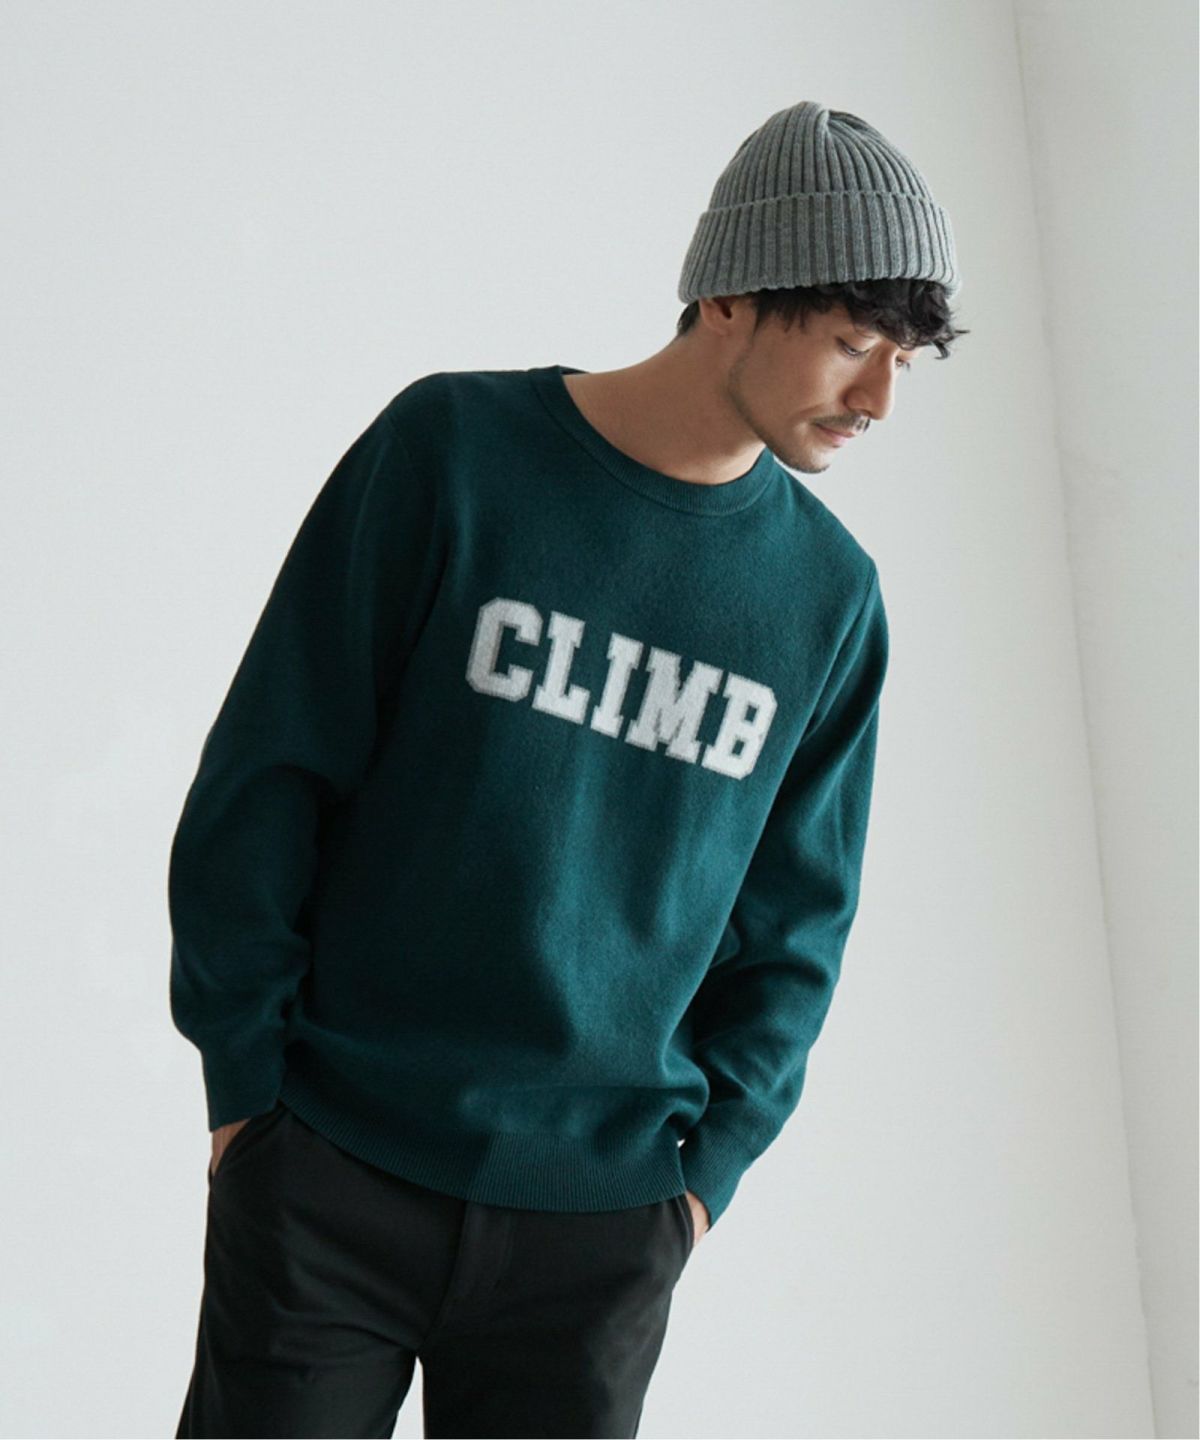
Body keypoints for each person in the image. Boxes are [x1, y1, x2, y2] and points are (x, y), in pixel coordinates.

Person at [170, 98, 965, 1439]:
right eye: (850, 342)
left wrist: (697, 1186)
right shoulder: (453, 452)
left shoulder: (830, 599)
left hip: (598, 1228)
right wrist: (247, 1087)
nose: (878, 397)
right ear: (729, 296)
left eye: (903, 358)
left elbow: (797, 931)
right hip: (334, 1166)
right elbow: (272, 769)